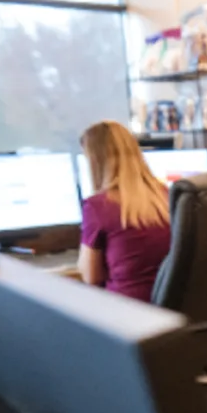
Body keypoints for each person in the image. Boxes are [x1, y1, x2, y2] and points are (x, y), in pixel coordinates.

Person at [77, 121, 173, 302]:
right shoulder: (166, 196)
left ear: (95, 162)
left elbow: (91, 277)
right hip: (171, 309)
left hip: (125, 310)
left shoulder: (98, 206)